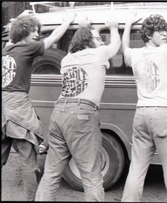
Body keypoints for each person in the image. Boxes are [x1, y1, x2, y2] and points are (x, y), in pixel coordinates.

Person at [35, 17, 121, 201]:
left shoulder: (67, 59)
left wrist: (85, 28)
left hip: (59, 113)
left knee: (50, 175)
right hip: (82, 114)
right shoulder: (98, 54)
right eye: (98, 39)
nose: (101, 42)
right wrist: (113, 28)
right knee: (91, 174)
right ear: (89, 41)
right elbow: (115, 46)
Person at [1, 12, 76, 201]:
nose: (37, 34)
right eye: (33, 30)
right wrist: (67, 21)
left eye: (38, 31)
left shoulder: (7, 48)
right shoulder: (27, 48)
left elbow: (11, 35)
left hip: (3, 107)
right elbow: (53, 38)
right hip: (17, 108)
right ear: (23, 31)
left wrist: (19, 19)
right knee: (29, 161)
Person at [121, 12, 167, 202]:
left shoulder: (134, 55)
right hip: (162, 113)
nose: (164, 34)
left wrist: (128, 25)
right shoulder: (165, 51)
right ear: (148, 34)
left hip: (141, 113)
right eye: (159, 31)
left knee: (136, 169)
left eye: (165, 30)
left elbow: (125, 48)